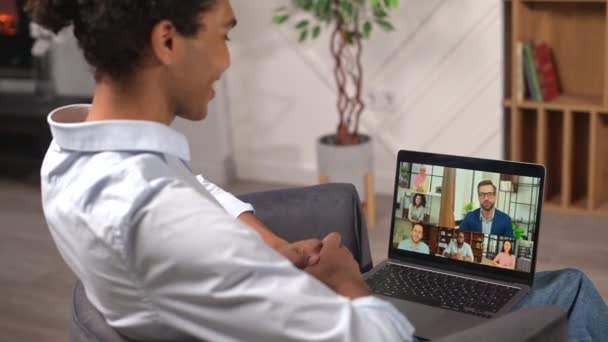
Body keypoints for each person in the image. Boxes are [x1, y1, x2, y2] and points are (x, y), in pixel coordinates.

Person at [27, 1, 608, 341]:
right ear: (168, 41)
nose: (228, 60)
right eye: (226, 35)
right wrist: (347, 283)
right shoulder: (164, 221)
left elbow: (194, 189)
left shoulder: (73, 158)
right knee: (573, 289)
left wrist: (272, 246)